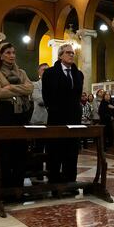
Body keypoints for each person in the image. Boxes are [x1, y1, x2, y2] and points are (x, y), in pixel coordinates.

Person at [0, 42, 34, 189]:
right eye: (8, 53)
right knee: (5, 154)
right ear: (1, 56)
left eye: (13, 52)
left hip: (21, 115)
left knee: (20, 153)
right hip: (4, 114)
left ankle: (18, 188)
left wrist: (11, 87)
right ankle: (6, 189)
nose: (12, 56)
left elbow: (30, 89)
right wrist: (19, 89)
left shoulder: (21, 72)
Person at [42, 43, 83, 194]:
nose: (71, 55)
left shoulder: (78, 74)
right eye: (68, 53)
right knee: (55, 152)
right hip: (57, 118)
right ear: (60, 55)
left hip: (74, 119)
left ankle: (70, 183)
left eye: (72, 53)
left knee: (71, 152)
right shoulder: (50, 73)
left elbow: (77, 96)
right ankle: (54, 185)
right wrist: (55, 109)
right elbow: (47, 96)